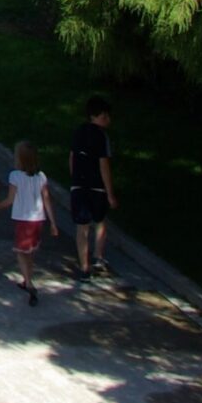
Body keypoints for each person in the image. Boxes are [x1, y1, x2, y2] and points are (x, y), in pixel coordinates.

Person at [70, 96, 118, 279]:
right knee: (100, 221)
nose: (108, 120)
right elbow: (103, 164)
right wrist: (110, 193)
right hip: (97, 187)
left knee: (82, 227)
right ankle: (98, 256)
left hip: (79, 185)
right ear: (94, 117)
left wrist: (74, 178)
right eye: (104, 117)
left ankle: (84, 267)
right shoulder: (102, 137)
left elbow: (72, 157)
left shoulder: (78, 132)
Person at [0, 140, 51, 305]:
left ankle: (28, 283)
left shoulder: (15, 176)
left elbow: (9, 200)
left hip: (23, 220)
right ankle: (27, 277)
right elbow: (46, 199)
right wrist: (54, 222)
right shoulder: (41, 177)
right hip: (37, 220)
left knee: (21, 252)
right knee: (30, 251)